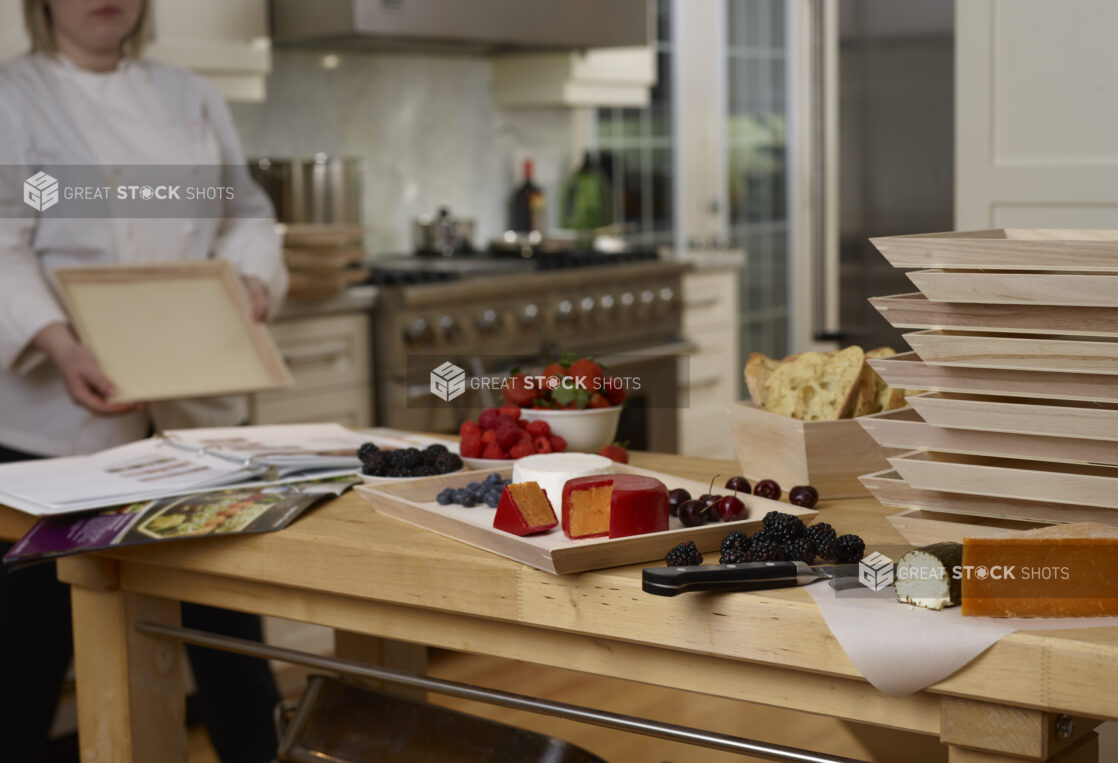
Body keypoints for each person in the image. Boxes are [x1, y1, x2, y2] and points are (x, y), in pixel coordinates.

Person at [0, 1, 289, 760]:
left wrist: (252, 284)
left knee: (228, 633)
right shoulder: (12, 96)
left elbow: (247, 215)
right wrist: (59, 344)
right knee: (25, 651)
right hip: (59, 424)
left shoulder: (191, 95)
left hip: (198, 420)